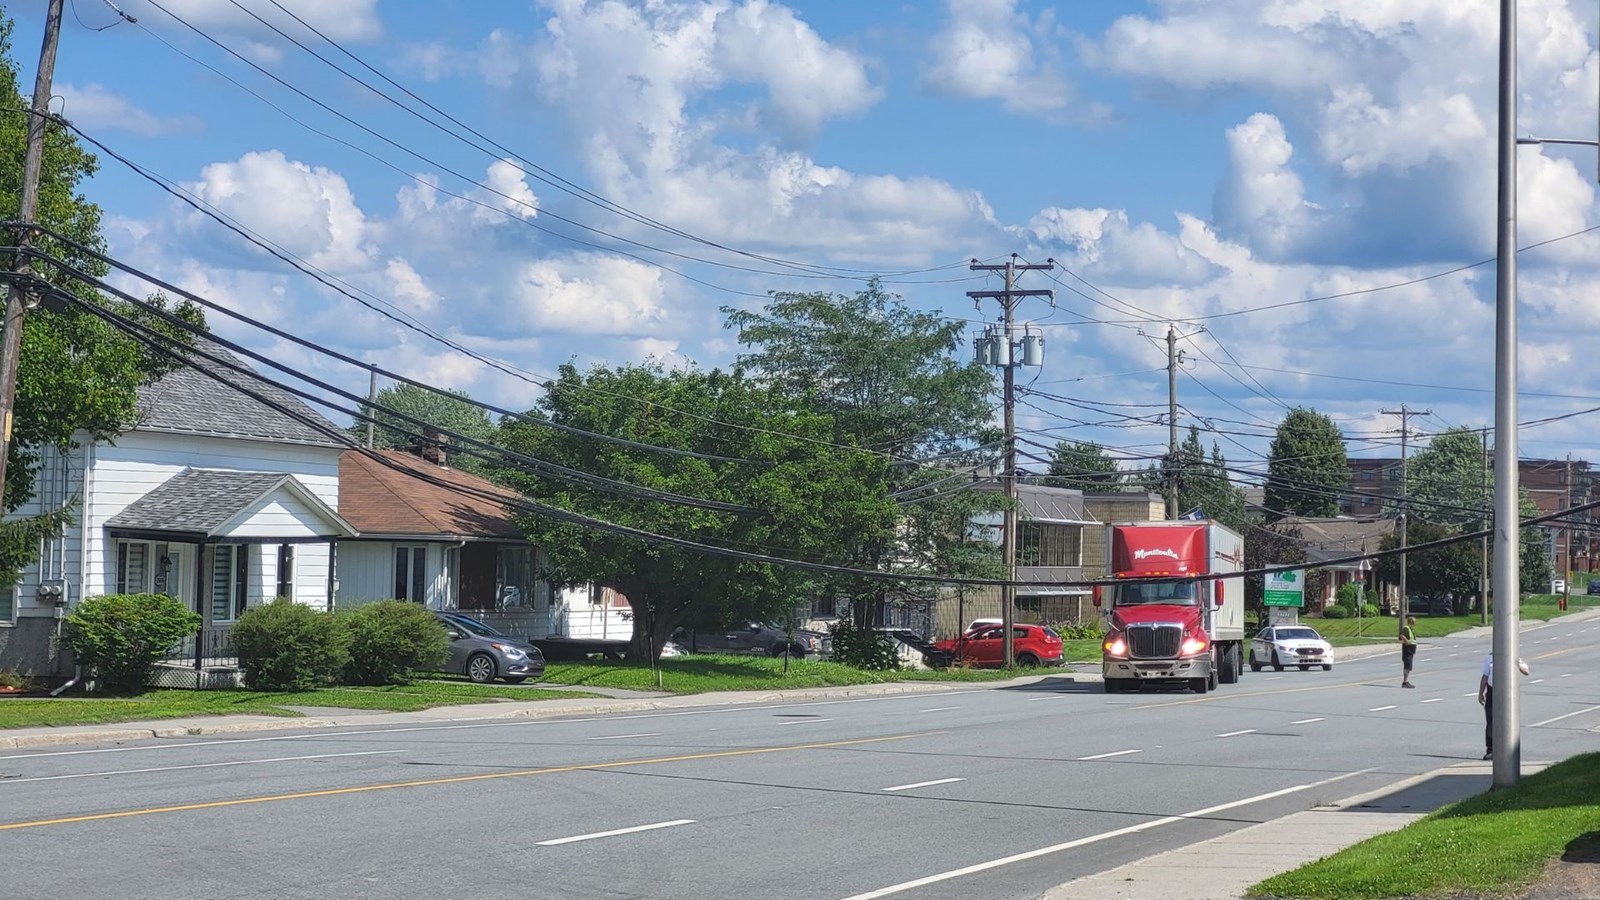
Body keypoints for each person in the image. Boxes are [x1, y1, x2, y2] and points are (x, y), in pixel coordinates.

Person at [1478, 652, 1531, 760]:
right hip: (1492, 691)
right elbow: (1485, 676)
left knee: (1507, 720)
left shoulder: (1513, 656)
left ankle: (1508, 749)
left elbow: (1526, 671)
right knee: (1491, 720)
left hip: (1508, 691)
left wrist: (1516, 662)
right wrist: (1481, 692)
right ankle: (1491, 749)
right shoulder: (1489, 657)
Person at [1399, 615, 1418, 688]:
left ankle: (1406, 681)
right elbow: (1402, 636)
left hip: (1410, 651)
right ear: (1411, 622)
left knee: (1409, 666)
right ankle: (1405, 682)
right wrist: (1406, 642)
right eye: (1414, 622)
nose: (1415, 624)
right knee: (1407, 666)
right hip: (1407, 650)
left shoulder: (1411, 629)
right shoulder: (1406, 628)